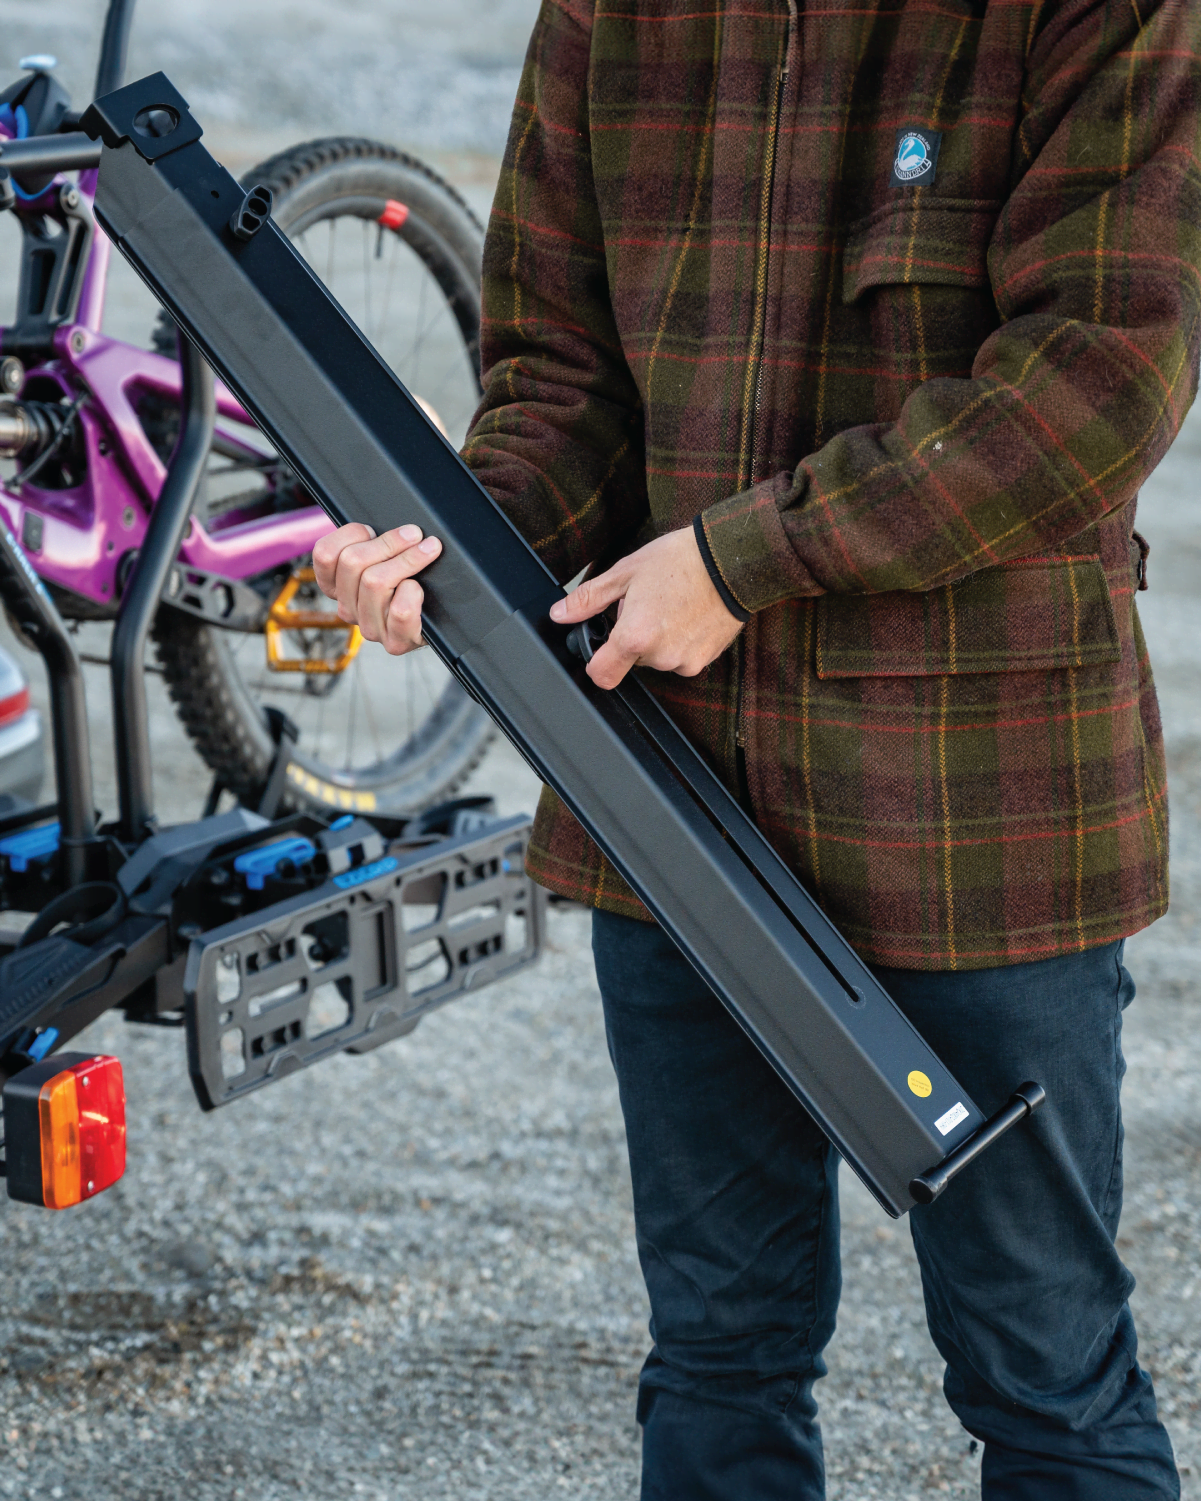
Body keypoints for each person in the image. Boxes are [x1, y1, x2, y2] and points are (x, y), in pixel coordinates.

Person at [314, 2, 1200, 1494]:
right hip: (671, 791)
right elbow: (557, 377)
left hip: (979, 807)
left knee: (1044, 1376)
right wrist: (453, 551)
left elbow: (1096, 377)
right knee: (719, 1355)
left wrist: (741, 563)